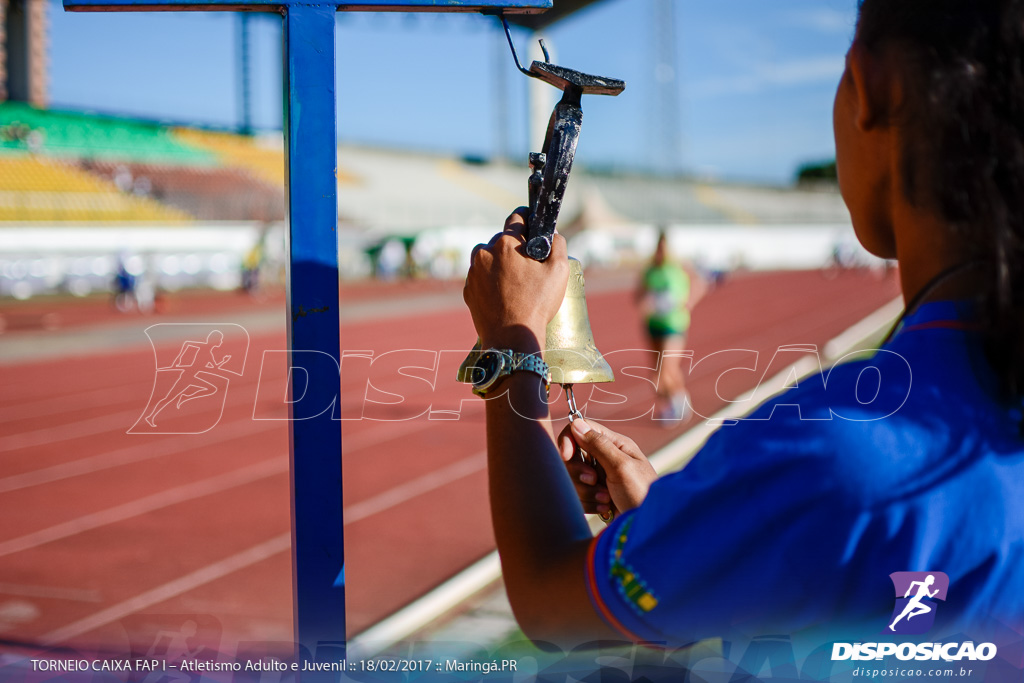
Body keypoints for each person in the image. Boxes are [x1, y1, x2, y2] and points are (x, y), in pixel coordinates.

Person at [462, 0, 1024, 649]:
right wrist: (681, 531)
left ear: (868, 89)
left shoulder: (834, 454)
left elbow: (548, 598)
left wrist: (511, 347)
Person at [636, 230, 692, 423]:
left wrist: (686, 302)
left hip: (674, 325)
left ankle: (678, 402)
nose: (661, 251)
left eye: (664, 248)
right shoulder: (649, 271)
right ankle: (673, 402)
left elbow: (698, 283)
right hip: (653, 325)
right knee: (656, 375)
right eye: (659, 248)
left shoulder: (677, 268)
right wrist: (646, 301)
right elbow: (638, 296)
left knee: (667, 370)